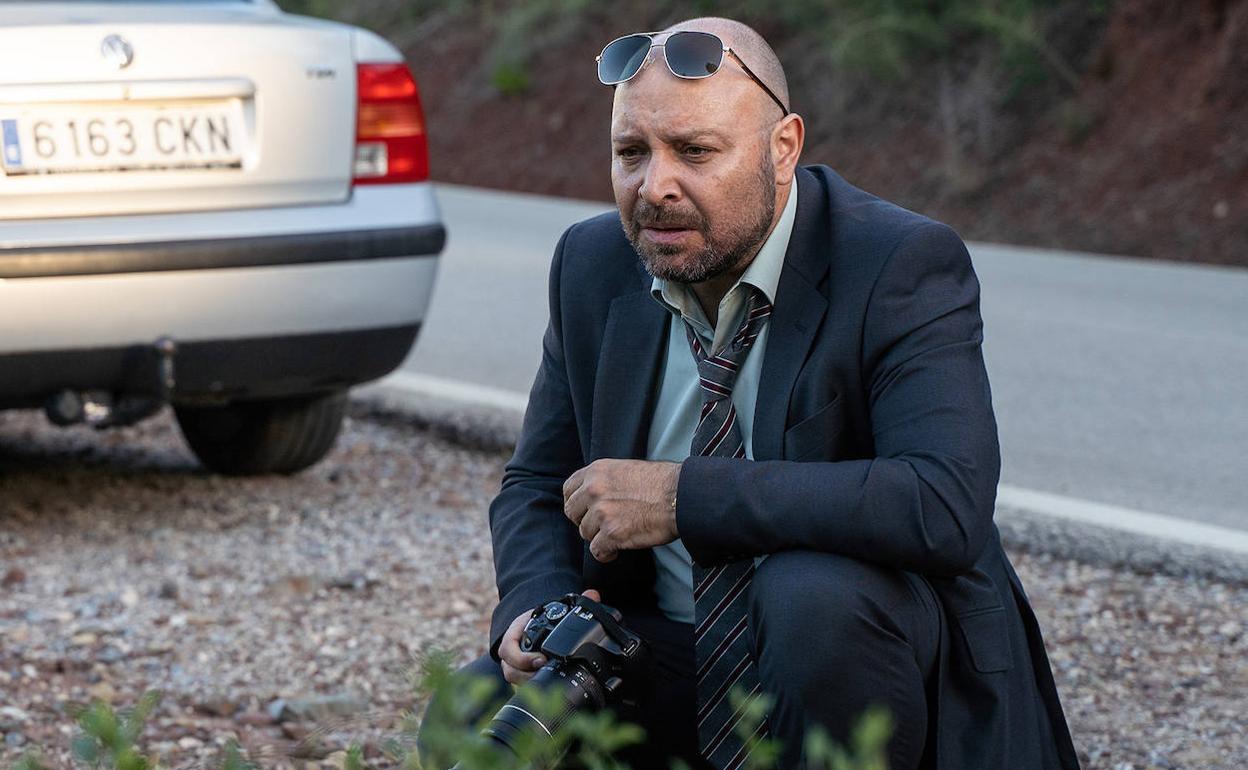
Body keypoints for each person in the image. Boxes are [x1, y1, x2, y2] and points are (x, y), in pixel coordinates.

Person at [419, 16, 1079, 770]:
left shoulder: (897, 263)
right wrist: (532, 608)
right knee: (469, 715)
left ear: (783, 148)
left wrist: (683, 498)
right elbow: (539, 481)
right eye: (631, 152)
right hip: (670, 656)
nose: (655, 186)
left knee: (809, 598)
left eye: (696, 151)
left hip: (858, 672)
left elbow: (943, 502)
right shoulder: (592, 263)